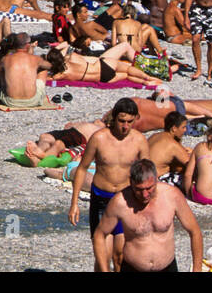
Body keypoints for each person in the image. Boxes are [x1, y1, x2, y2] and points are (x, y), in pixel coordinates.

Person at [69, 98, 150, 271]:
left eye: (130, 121)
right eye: (121, 121)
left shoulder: (140, 141)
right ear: (114, 118)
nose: (125, 126)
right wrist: (74, 203)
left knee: (120, 256)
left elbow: (148, 176)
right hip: (101, 200)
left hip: (125, 201)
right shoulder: (99, 138)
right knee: (102, 258)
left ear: (136, 119)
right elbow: (82, 168)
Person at [95, 159, 203, 272]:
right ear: (131, 182)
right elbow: (100, 234)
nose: (144, 194)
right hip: (133, 268)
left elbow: (194, 231)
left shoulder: (172, 196)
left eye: (149, 188)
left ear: (156, 180)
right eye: (139, 189)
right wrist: (104, 269)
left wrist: (197, 268)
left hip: (167, 267)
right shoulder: (120, 202)